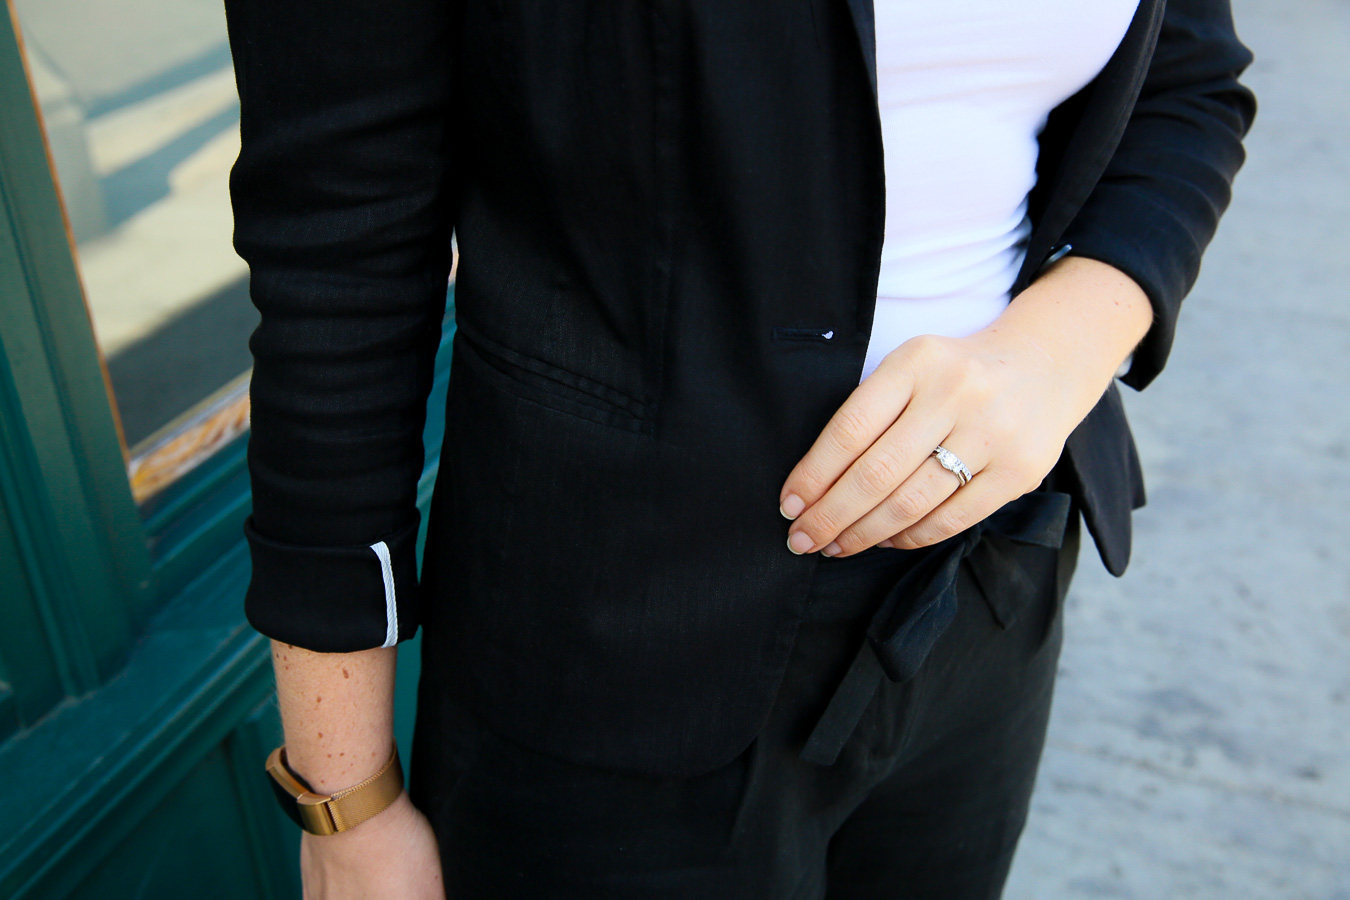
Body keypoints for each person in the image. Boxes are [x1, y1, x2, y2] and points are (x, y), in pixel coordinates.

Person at [223, 0, 1255, 896]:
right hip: (623, 666)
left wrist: (1058, 348)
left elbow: (1190, 82)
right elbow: (340, 252)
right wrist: (345, 802)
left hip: (990, 582)